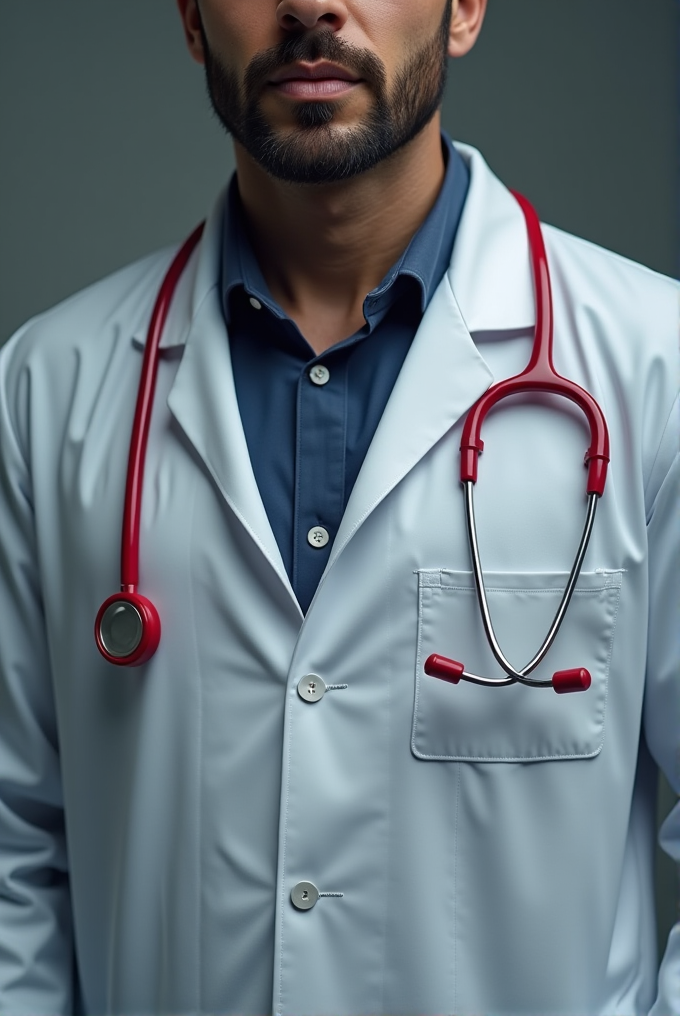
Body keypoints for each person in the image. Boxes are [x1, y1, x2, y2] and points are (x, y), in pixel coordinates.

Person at [0, 0, 677, 1013]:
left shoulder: (653, 368)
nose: (310, 4)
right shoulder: (46, 388)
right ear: (189, 19)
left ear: (463, 10)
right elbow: (13, 847)